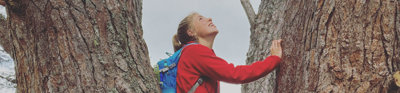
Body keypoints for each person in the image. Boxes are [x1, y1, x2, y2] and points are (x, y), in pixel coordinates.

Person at [173, 12, 282, 93]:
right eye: (201, 19)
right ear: (191, 32)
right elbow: (236, 74)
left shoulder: (194, 53)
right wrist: (273, 59)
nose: (209, 18)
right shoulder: (194, 51)